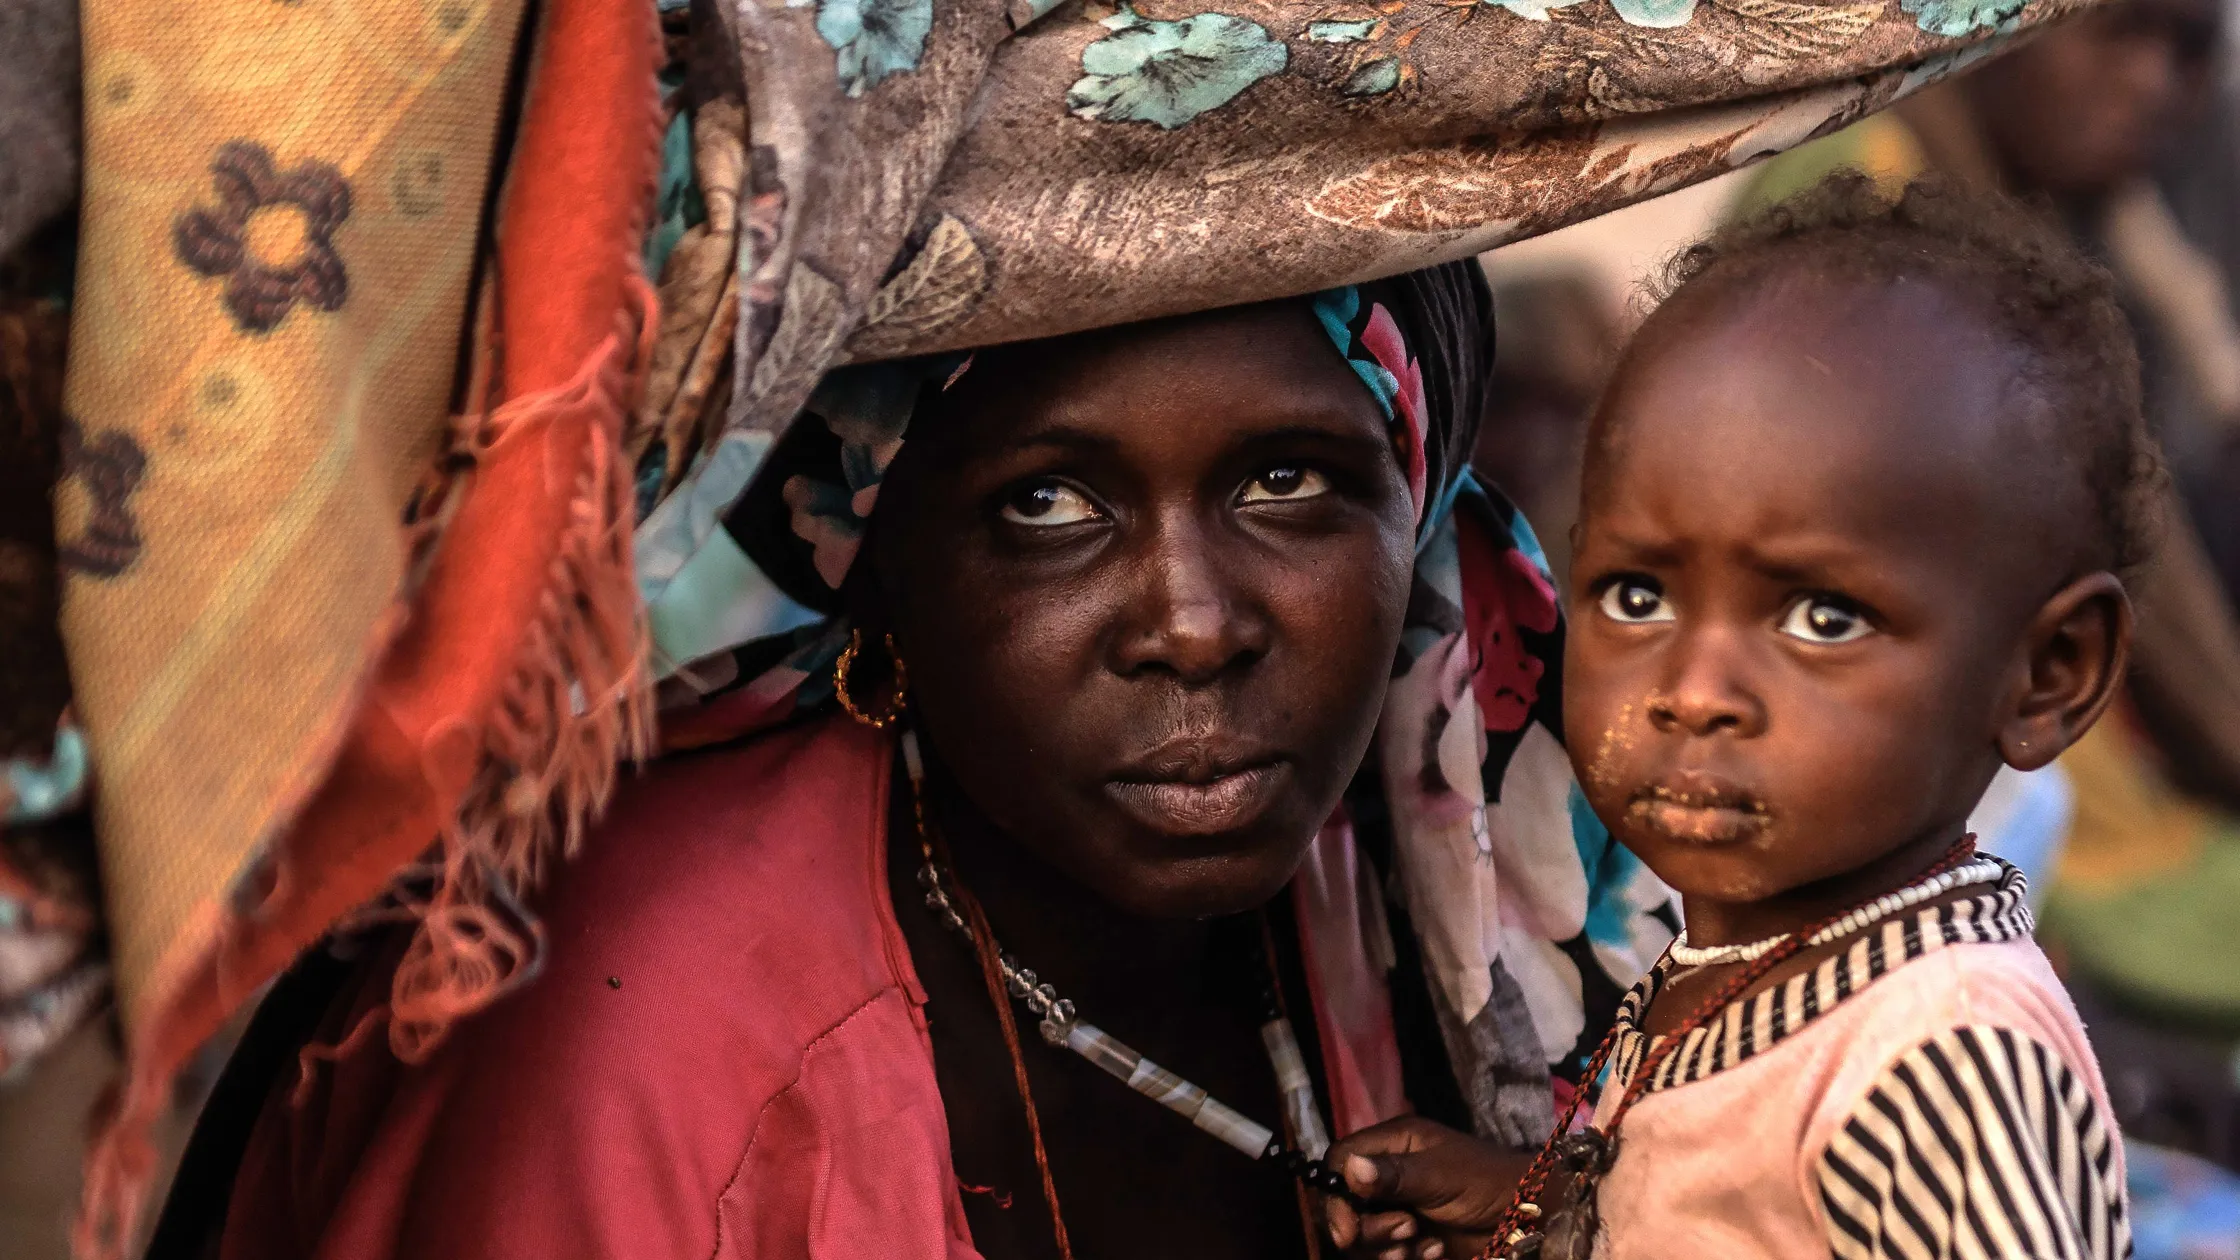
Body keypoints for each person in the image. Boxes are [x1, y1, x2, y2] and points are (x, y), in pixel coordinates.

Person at [145, 262, 1678, 1260]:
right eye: (1048, 507)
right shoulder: (623, 1032)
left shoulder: (1424, 878)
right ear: (874, 560)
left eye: (1287, 482)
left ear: (1414, 523)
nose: (1196, 629)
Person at [1319, 172, 2146, 1259]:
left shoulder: (1943, 1057)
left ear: (2046, 676)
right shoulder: (1747, 969)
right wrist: (1539, 1215)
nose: (1692, 691)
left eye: (1820, 616)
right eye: (1636, 597)